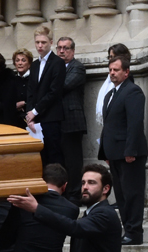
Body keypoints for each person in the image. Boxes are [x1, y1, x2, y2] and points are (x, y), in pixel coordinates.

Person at [99, 56, 148, 245]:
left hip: (129, 154)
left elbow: (135, 124)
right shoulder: (111, 94)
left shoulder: (133, 91)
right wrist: (106, 152)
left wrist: (131, 151)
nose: (112, 73)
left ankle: (134, 232)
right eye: (110, 70)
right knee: (120, 195)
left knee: (132, 194)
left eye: (116, 70)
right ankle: (127, 229)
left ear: (126, 72)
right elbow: (109, 125)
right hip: (115, 154)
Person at [25, 26, 66, 166]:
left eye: (43, 42)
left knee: (53, 156)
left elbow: (54, 92)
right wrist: (29, 114)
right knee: (38, 158)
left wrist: (35, 111)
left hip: (51, 117)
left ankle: (54, 187)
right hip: (35, 119)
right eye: (37, 42)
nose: (40, 46)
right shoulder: (35, 65)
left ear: (51, 42)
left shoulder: (58, 63)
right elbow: (30, 91)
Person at [57, 37, 87, 206]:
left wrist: (49, 83)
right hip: (57, 120)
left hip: (72, 121)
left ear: (73, 51)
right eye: (59, 48)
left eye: (66, 48)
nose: (62, 51)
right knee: (60, 160)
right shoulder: (55, 68)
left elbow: (64, 86)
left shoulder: (77, 67)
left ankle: (75, 195)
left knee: (73, 161)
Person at [95, 43, 132, 126]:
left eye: (114, 57)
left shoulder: (126, 79)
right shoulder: (110, 77)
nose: (111, 60)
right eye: (110, 57)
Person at [12, 48, 33, 116]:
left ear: (29, 64)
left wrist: (24, 103)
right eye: (17, 61)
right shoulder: (12, 79)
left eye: (23, 60)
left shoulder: (34, 78)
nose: (20, 63)